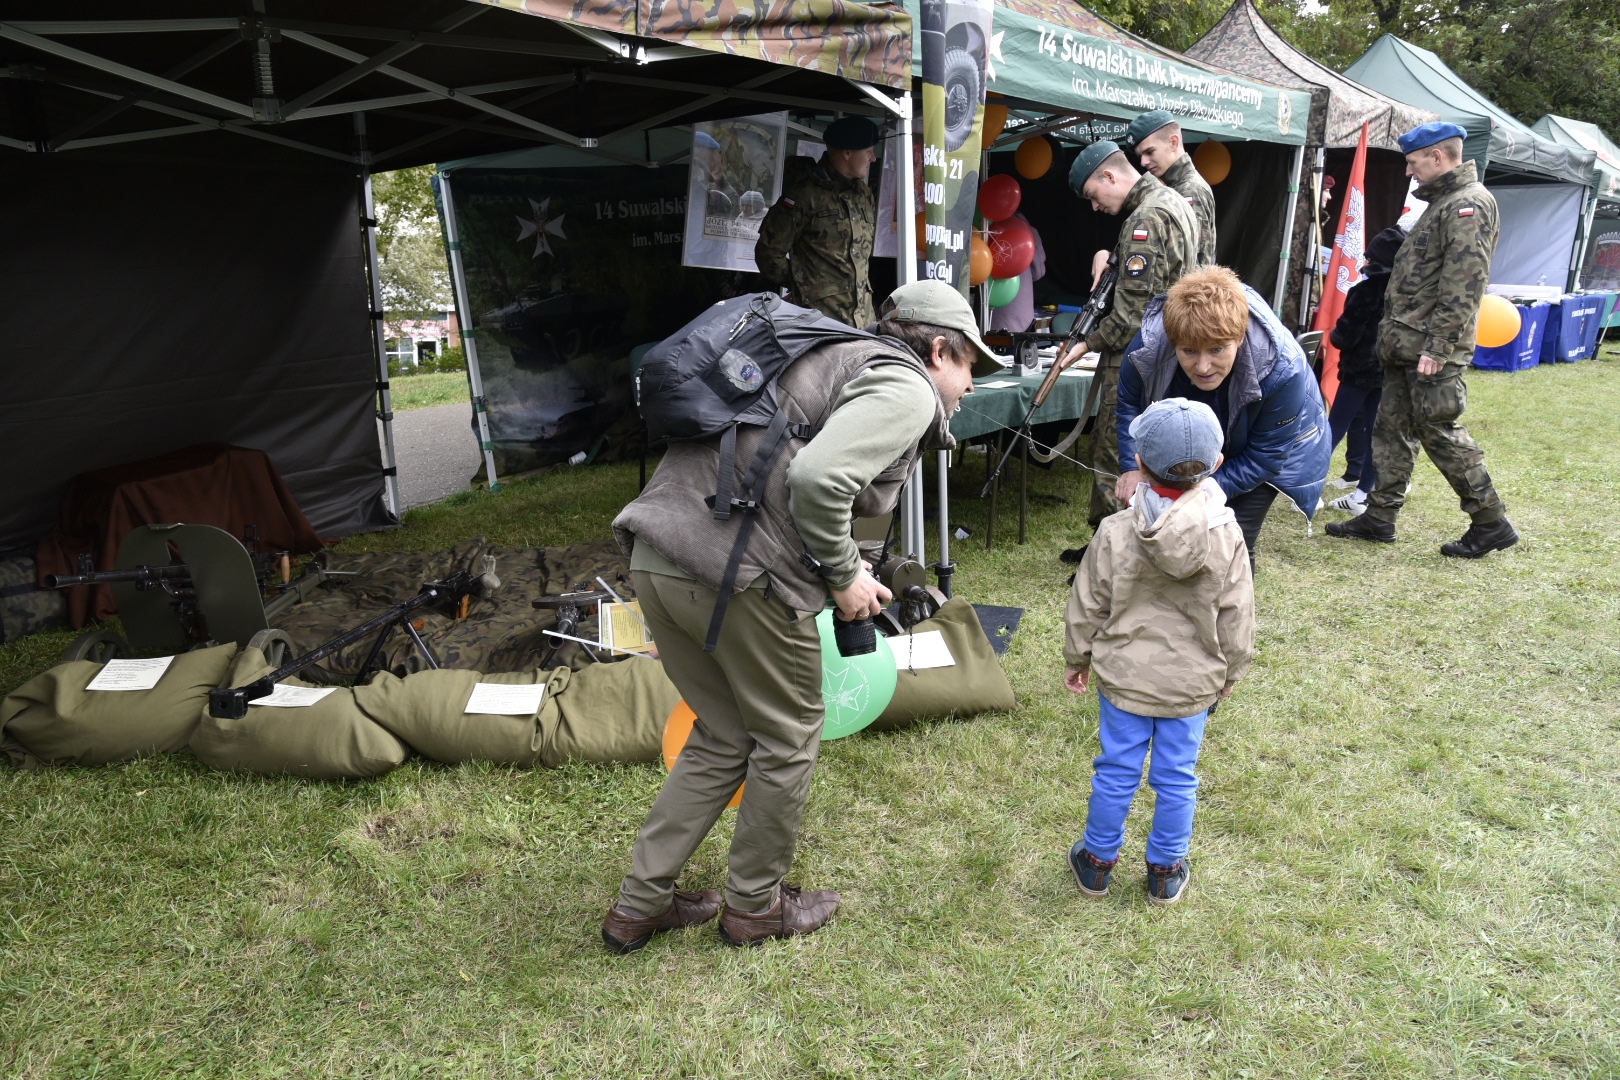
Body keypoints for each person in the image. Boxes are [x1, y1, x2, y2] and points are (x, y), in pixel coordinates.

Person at [600, 280, 1001, 953]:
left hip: (656, 555)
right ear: (938, 351)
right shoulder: (905, 387)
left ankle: (638, 906)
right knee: (786, 737)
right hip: (734, 574)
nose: (968, 386)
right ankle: (754, 906)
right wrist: (844, 578)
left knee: (725, 733)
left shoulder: (822, 355)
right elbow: (816, 479)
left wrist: (843, 561)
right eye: (969, 367)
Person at [1063, 398, 1254, 905]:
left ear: (1140, 464)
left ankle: (1098, 861)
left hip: (1124, 679)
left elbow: (1089, 600)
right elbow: (1236, 611)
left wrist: (1077, 656)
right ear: (1215, 464)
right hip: (1192, 685)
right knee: (1177, 776)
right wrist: (1231, 669)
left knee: (1117, 770)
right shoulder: (1228, 534)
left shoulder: (1114, 530)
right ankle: (1165, 870)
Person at [1327, 122, 1518, 557]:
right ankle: (1379, 518)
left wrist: (1438, 346)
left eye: (1413, 163)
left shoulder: (1468, 205)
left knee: (1440, 433)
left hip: (1430, 350)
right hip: (1404, 347)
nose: (1409, 173)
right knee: (1391, 432)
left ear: (1437, 156)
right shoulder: (1443, 203)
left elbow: (1464, 284)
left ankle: (1491, 522)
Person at [1115, 265, 1330, 570]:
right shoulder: (1148, 346)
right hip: (1199, 429)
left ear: (1239, 338)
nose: (1203, 366)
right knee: (1167, 529)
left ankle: (1232, 615)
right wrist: (1131, 467)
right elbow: (1129, 405)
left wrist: (1208, 488)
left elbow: (1265, 456)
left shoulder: (1283, 370)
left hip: (1264, 448)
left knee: (1232, 541)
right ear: (1173, 341)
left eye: (1217, 349)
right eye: (1189, 351)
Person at [1060, 140, 1199, 529]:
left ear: (1109, 175)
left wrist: (1085, 345)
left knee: (1114, 452)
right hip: (1166, 352)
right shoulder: (1173, 201)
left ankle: (1111, 546)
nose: (1094, 206)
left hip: (1136, 355)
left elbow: (1129, 314)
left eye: (1093, 194)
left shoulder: (1145, 217)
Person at [754, 116, 881, 328]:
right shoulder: (805, 194)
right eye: (868, 151)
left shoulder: (863, 194)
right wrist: (803, 286)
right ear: (847, 153)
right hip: (821, 321)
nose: (873, 158)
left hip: (863, 320)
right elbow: (768, 254)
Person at [1323, 225, 1406, 514]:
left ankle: (1307, 486)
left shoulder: (1365, 291)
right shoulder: (1406, 293)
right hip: (1387, 373)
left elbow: (1346, 334)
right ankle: (1363, 494)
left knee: (1333, 429)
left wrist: (1334, 336)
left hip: (1358, 373)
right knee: (1375, 433)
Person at [1122, 110, 1217, 267]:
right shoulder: (1173, 187)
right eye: (1140, 156)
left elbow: (1195, 263)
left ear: (1173, 142)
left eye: (1150, 152)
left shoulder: (1190, 190)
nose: (1143, 162)